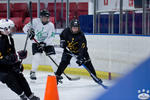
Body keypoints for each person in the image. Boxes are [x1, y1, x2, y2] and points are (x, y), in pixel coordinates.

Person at [0, 19, 40, 100]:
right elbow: (2, 59)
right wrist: (17, 56)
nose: (12, 30)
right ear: (5, 29)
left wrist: (18, 63)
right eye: (11, 28)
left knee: (19, 76)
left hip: (8, 65)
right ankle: (22, 95)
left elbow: (12, 53)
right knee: (10, 78)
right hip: (1, 68)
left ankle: (29, 95)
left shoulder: (10, 38)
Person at [55, 19, 103, 84]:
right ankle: (57, 76)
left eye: (76, 28)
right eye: (74, 28)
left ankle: (95, 77)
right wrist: (62, 42)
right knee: (63, 62)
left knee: (88, 63)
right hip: (68, 50)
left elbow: (83, 48)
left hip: (81, 52)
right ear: (70, 27)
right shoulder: (66, 31)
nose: (75, 29)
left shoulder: (81, 35)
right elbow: (62, 36)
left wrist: (80, 57)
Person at [23, 9, 56, 80]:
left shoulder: (51, 25)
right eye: (43, 17)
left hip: (47, 44)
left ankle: (57, 73)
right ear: (40, 17)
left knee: (53, 57)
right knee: (37, 57)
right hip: (36, 42)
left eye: (47, 17)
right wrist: (29, 32)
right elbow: (24, 29)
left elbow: (51, 36)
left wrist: (45, 43)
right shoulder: (34, 22)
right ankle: (33, 72)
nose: (45, 19)